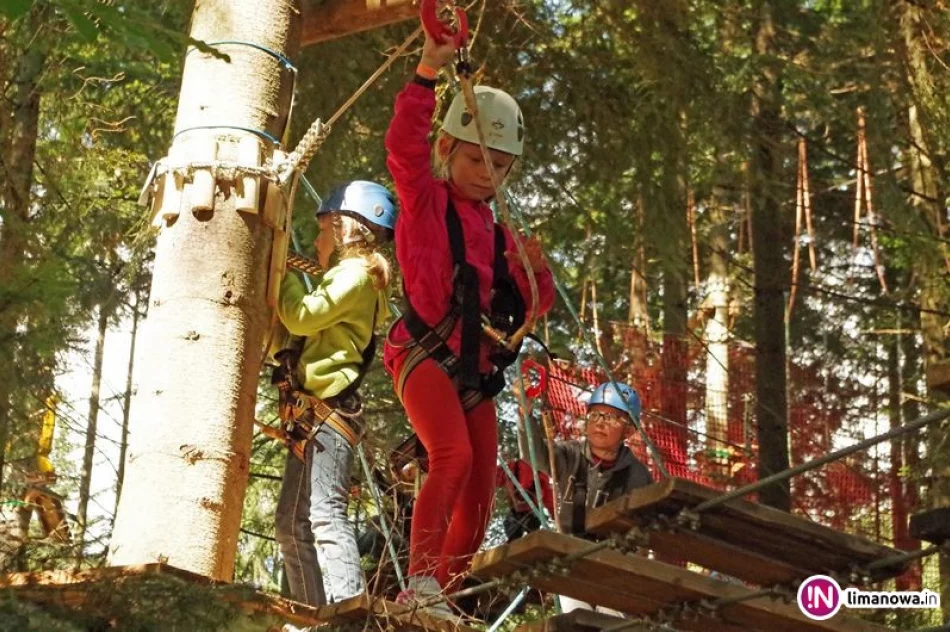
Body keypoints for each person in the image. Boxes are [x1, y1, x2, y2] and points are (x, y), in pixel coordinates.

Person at [382, 14, 556, 614]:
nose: (487, 174)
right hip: (422, 350)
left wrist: (535, 272)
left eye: (500, 166)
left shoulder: (500, 234)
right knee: (451, 457)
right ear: (447, 150)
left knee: (480, 496)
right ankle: (419, 584)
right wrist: (428, 70)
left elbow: (531, 308)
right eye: (478, 159)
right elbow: (402, 149)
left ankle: (444, 601)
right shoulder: (424, 201)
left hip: (474, 369)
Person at [272, 180, 396, 608]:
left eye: (323, 231)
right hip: (312, 416)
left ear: (346, 229)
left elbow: (303, 316)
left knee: (325, 516)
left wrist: (283, 274)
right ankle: (312, 613)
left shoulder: (356, 275)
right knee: (290, 524)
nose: (316, 242)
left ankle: (349, 611)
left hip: (328, 416)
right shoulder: (350, 278)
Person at [528, 381, 653, 614]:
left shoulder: (638, 477)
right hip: (571, 557)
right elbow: (535, 455)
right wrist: (525, 413)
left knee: (611, 619)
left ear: (629, 430)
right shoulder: (569, 455)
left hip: (614, 565)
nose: (600, 423)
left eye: (612, 418)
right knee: (577, 617)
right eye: (595, 414)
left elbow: (643, 534)